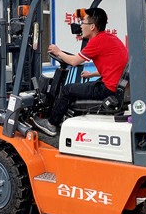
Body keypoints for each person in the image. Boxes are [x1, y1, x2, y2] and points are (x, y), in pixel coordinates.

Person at [30, 7, 128, 137]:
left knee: (67, 90)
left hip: (109, 89)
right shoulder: (109, 38)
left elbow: (74, 61)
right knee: (78, 88)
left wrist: (58, 52)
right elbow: (115, 66)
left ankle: (51, 124)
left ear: (92, 26)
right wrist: (92, 74)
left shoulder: (97, 41)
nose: (81, 25)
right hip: (116, 86)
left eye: (83, 22)